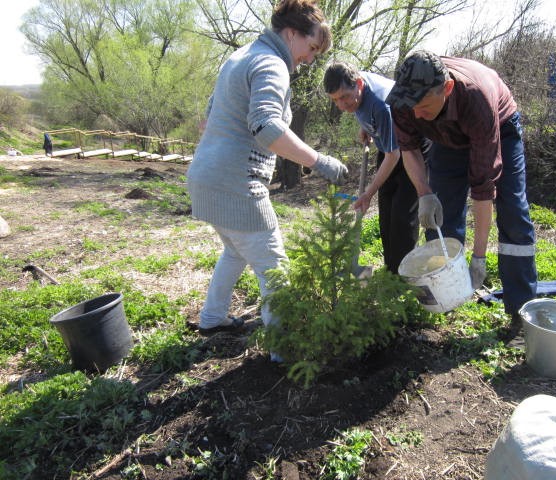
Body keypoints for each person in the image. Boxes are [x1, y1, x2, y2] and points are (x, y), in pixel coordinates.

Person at [186, 0, 348, 354]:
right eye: (311, 48)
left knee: (234, 251)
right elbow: (266, 126)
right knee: (275, 267)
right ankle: (285, 348)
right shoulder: (271, 64)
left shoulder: (241, 56)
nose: (310, 58)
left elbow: (209, 117)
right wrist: (318, 160)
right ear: (291, 34)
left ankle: (212, 318)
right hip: (236, 184)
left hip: (204, 178)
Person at [385, 50, 537, 332]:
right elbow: (409, 148)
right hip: (445, 136)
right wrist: (424, 192)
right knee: (441, 216)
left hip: (498, 125)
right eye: (412, 107)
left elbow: (483, 189)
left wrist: (479, 257)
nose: (415, 114)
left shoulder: (476, 100)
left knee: (513, 211)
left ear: (447, 88)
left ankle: (520, 312)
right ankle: (446, 299)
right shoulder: (404, 100)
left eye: (423, 106)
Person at [323, 62, 430, 274]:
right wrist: (368, 127)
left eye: (344, 97)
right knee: (387, 211)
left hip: (411, 150)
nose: (342, 105)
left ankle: (404, 277)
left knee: (402, 216)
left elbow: (394, 155)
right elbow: (363, 109)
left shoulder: (382, 106)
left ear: (359, 84)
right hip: (390, 148)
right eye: (335, 100)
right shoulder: (353, 84)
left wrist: (368, 193)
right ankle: (391, 270)